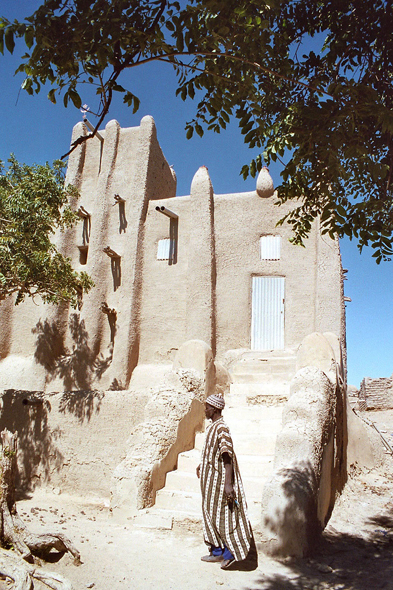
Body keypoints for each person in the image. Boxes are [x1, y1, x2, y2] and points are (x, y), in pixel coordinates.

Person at [196, 393, 253, 570]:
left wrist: (228, 484)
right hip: (209, 485)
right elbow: (213, 452)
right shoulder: (213, 427)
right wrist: (202, 464)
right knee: (211, 516)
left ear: (213, 409)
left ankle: (230, 555)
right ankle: (217, 551)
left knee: (224, 518)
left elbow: (227, 456)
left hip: (219, 485)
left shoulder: (222, 428)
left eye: (207, 407)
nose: (205, 410)